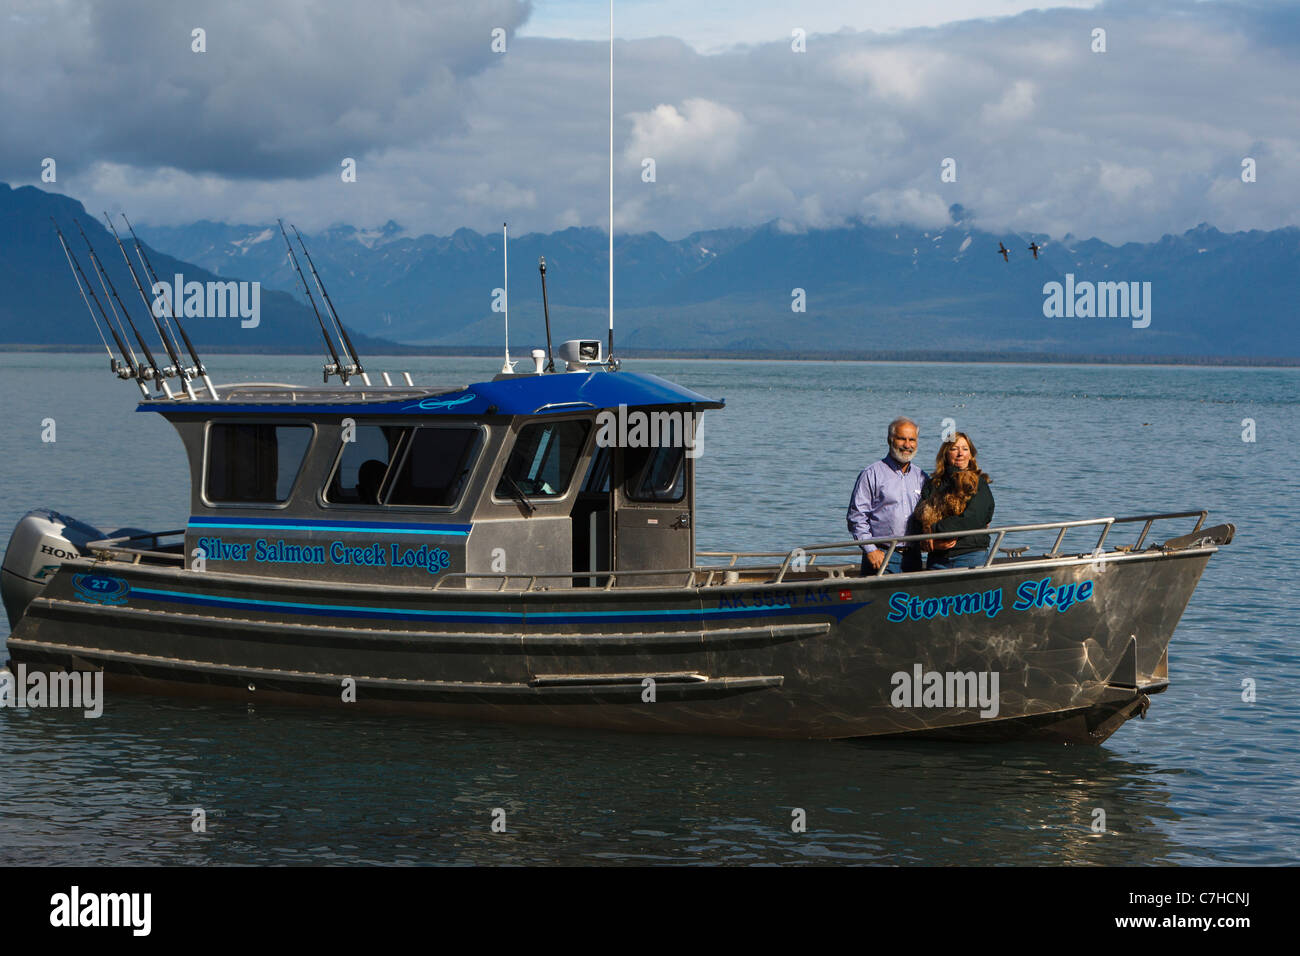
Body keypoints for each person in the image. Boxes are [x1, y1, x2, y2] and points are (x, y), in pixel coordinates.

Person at [847, 417, 927, 575]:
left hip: (913, 556)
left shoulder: (922, 477)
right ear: (890, 440)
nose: (907, 445)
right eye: (902, 439)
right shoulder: (872, 474)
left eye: (912, 440)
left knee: (911, 599)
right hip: (882, 555)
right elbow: (857, 517)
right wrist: (871, 550)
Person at [914, 432, 994, 570]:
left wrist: (933, 530)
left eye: (965, 449)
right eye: (954, 448)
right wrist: (929, 540)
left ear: (971, 454)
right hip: (938, 558)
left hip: (970, 555)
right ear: (945, 454)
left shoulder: (978, 483)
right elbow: (919, 516)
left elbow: (972, 519)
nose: (960, 454)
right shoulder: (933, 484)